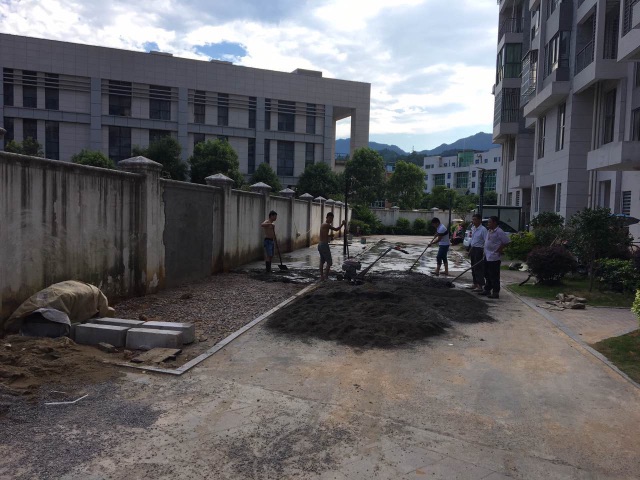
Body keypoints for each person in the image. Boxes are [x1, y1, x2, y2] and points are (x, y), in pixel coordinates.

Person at [478, 215, 510, 299]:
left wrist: (500, 249)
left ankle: (495, 292)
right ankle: (487, 289)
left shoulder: (499, 231)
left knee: (494, 275)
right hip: (487, 256)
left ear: (495, 223)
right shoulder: (489, 231)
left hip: (494, 257)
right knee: (486, 274)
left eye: (489, 222)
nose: (488, 224)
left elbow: (506, 241)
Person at [318, 212, 346, 280]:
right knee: (329, 262)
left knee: (322, 261)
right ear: (326, 218)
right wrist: (342, 224)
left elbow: (323, 235)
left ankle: (322, 277)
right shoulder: (327, 225)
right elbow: (336, 229)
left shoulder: (323, 224)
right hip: (324, 245)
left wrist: (329, 236)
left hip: (320, 244)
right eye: (330, 218)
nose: (331, 220)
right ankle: (326, 277)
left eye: (332, 219)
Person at [468, 214, 487, 292]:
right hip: (473, 249)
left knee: (478, 267)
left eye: (475, 219)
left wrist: (484, 252)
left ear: (480, 220)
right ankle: (475, 283)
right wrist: (470, 250)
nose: (473, 221)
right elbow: (473, 240)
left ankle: (480, 285)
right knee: (473, 267)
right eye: (473, 220)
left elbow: (486, 241)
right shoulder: (473, 228)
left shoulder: (483, 229)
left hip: (479, 249)